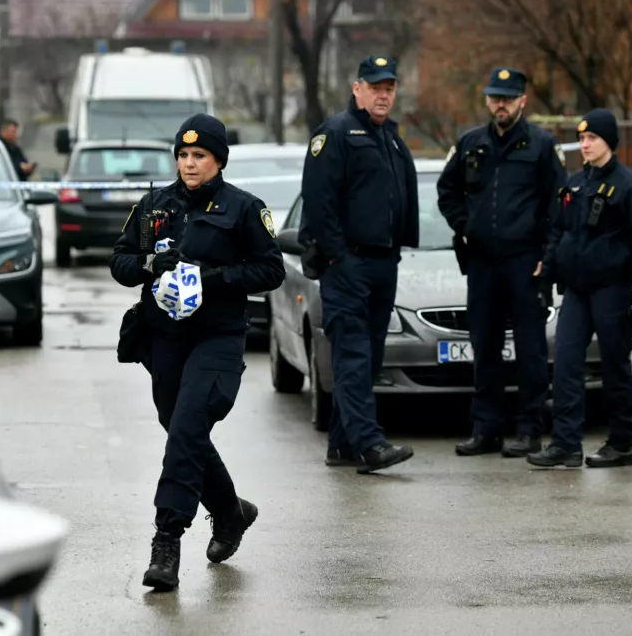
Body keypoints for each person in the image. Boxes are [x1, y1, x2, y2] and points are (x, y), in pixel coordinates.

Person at [109, 113, 285, 591]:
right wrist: (151, 263)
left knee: (187, 427)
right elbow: (120, 262)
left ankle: (167, 540)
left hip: (217, 337)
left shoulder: (244, 208)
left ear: (218, 160)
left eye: (199, 156)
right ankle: (230, 511)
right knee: (181, 431)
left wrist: (214, 277)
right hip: (164, 338)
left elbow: (271, 270)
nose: (189, 164)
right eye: (183, 155)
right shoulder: (154, 206)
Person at [437, 67, 567, 458]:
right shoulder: (471, 143)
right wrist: (468, 227)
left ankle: (529, 429)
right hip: (483, 263)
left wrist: (547, 255)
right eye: (495, 97)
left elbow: (558, 203)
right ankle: (486, 428)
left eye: (508, 98)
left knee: (529, 348)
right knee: (485, 345)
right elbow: (447, 191)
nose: (501, 105)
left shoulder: (542, 145)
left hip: (524, 261)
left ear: (523, 101)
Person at [298, 55, 419, 474]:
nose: (383, 94)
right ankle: (369, 444)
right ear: (357, 88)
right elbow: (318, 199)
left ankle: (341, 443)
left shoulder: (390, 137)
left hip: (384, 261)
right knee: (352, 354)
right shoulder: (335, 134)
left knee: (367, 359)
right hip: (348, 263)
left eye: (389, 87)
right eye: (375, 86)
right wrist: (336, 256)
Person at [527, 109, 632, 468]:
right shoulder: (573, 184)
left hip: (613, 290)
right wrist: (547, 276)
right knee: (567, 363)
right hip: (577, 290)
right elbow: (559, 233)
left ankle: (621, 444)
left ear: (609, 143)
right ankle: (566, 444)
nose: (585, 144)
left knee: (615, 365)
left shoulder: (631, 187)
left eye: (592, 139)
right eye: (582, 138)